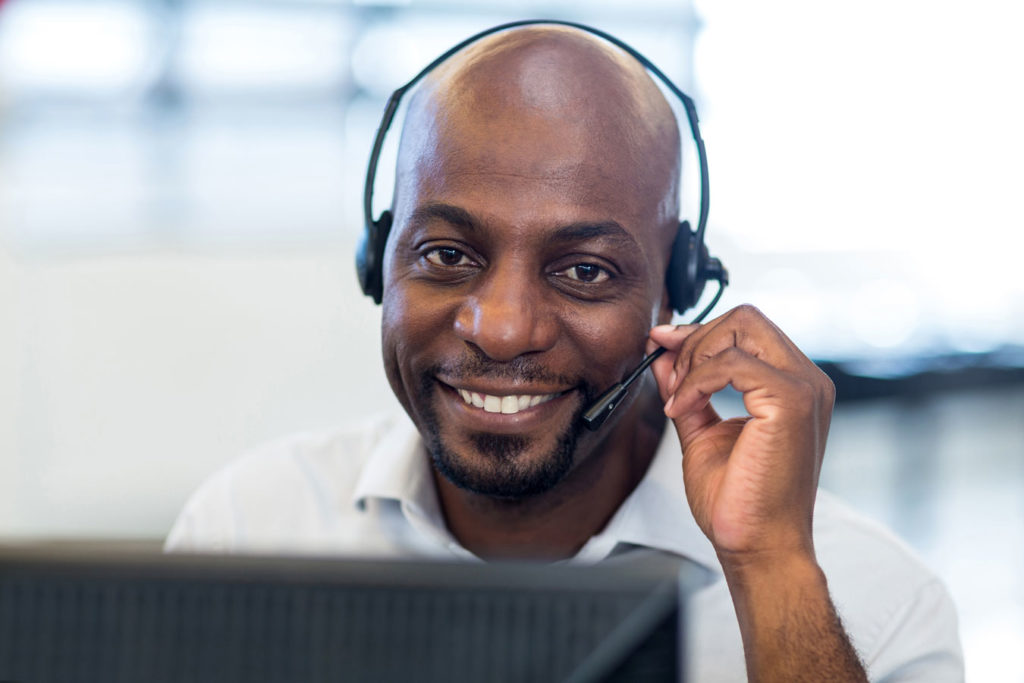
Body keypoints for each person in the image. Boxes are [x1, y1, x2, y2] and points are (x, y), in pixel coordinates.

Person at [166, 24, 963, 681]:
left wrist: (773, 568)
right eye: (448, 254)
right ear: (379, 261)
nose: (504, 327)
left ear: (676, 294)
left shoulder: (872, 604)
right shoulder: (248, 531)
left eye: (584, 270)